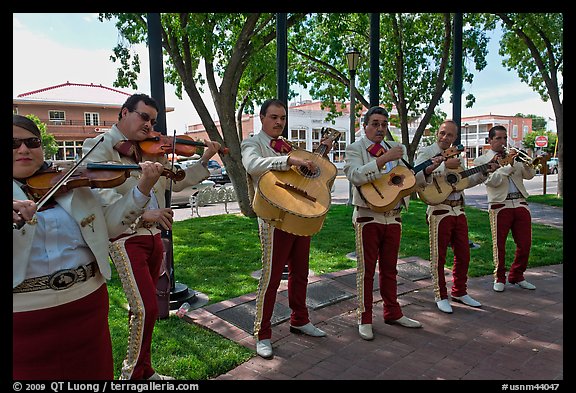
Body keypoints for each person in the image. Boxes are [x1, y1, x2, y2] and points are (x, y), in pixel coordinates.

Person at [12, 114, 164, 380]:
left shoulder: (71, 184)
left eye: (32, 141)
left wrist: (142, 187)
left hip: (87, 307)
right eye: (13, 143)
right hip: (23, 320)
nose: (23, 149)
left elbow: (111, 226)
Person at [81, 93, 222, 380]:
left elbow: (179, 176)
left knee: (152, 308)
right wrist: (145, 215)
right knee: (142, 308)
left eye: (154, 120)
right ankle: (130, 375)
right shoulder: (100, 146)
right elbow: (101, 199)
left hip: (155, 236)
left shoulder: (150, 148)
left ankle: (145, 369)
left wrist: (205, 158)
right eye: (144, 117)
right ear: (124, 113)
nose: (150, 126)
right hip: (126, 237)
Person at [241, 98, 332, 359]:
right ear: (262, 118)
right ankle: (262, 333)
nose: (279, 122)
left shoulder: (288, 146)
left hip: (299, 214)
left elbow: (302, 171)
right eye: (274, 117)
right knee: (270, 278)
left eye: (282, 118)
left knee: (300, 272)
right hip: (273, 219)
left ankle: (300, 319)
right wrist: (287, 160)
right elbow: (252, 165)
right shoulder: (252, 143)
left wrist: (316, 156)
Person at [344, 106, 443, 341]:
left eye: (384, 124)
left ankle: (392, 311)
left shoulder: (395, 149)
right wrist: (383, 160)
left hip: (394, 217)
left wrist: (426, 171)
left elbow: (407, 180)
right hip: (368, 216)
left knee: (390, 269)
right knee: (366, 271)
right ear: (364, 125)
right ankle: (364, 317)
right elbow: (355, 175)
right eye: (375, 123)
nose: (380, 128)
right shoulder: (354, 148)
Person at [415, 120, 498, 314]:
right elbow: (417, 174)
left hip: (458, 209)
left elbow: (464, 181)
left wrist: (485, 170)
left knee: (464, 254)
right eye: (443, 133)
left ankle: (460, 291)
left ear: (455, 138)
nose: (445, 138)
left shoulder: (456, 156)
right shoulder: (427, 152)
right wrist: (444, 166)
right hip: (439, 209)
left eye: (450, 135)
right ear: (437, 132)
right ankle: (440, 295)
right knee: (439, 256)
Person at [473, 125, 537, 293]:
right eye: (498, 138)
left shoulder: (514, 156)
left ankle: (517, 275)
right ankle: (499, 277)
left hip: (520, 202)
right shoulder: (482, 160)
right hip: (499, 205)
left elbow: (529, 175)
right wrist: (507, 166)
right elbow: (491, 182)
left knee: (525, 243)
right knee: (499, 245)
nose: (502, 142)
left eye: (504, 138)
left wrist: (528, 163)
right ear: (490, 141)